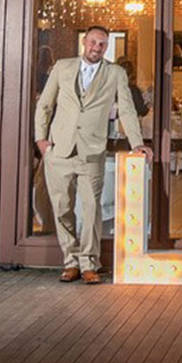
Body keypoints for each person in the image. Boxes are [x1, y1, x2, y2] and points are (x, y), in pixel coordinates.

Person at [34, 25, 146, 284]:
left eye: (102, 45)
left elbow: (127, 110)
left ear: (106, 47)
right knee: (62, 208)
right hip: (59, 150)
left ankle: (89, 263)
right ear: (85, 42)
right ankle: (70, 261)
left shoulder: (115, 73)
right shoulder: (62, 67)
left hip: (92, 150)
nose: (97, 48)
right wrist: (41, 140)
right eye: (94, 42)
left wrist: (136, 142)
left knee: (92, 208)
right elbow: (45, 104)